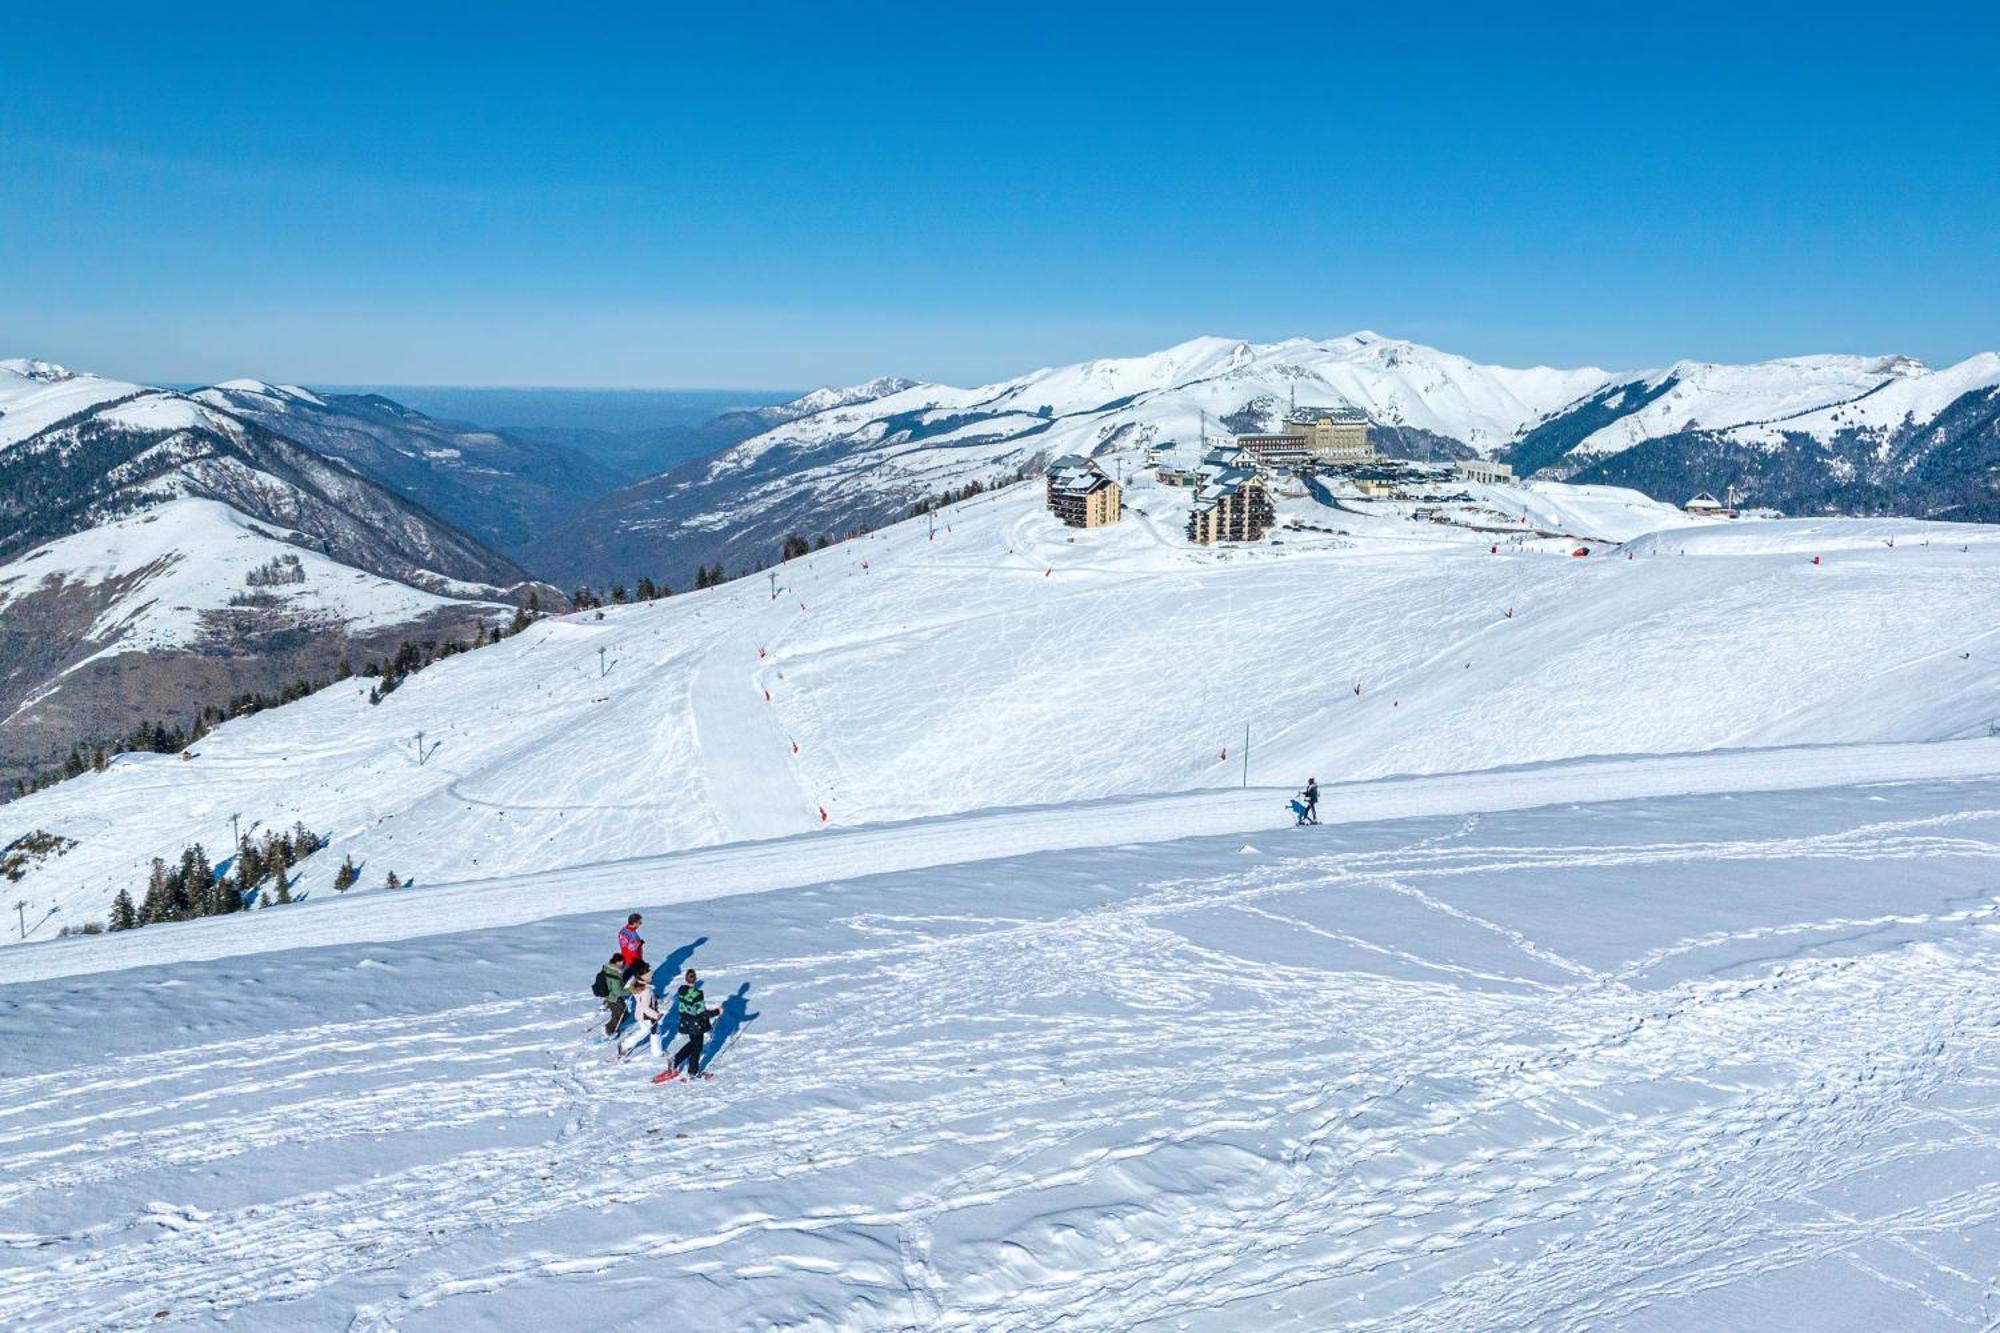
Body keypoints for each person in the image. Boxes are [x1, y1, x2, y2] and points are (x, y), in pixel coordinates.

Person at [664, 967, 722, 1078]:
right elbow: (702, 1013)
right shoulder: (697, 994)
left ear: (686, 979)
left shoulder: (681, 992)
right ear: (695, 979)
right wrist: (717, 1011)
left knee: (693, 1044)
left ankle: (676, 1060)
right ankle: (692, 1071)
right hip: (697, 1024)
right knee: (697, 1048)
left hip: (686, 1022)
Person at [618, 967, 662, 1059]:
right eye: (650, 977)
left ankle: (626, 1044)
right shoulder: (646, 990)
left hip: (640, 1014)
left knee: (648, 1030)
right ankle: (656, 1052)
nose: (652, 978)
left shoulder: (638, 985)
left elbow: (642, 1001)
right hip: (647, 1015)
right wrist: (656, 1015)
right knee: (653, 1031)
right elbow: (646, 1007)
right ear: (645, 978)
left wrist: (654, 999)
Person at [598, 952, 632, 1036]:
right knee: (620, 1015)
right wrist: (630, 991)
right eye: (622, 962)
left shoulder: (607, 968)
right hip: (614, 998)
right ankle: (608, 1030)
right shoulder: (614, 974)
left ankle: (613, 1027)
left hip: (608, 996)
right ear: (618, 962)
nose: (623, 964)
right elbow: (618, 991)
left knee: (621, 1014)